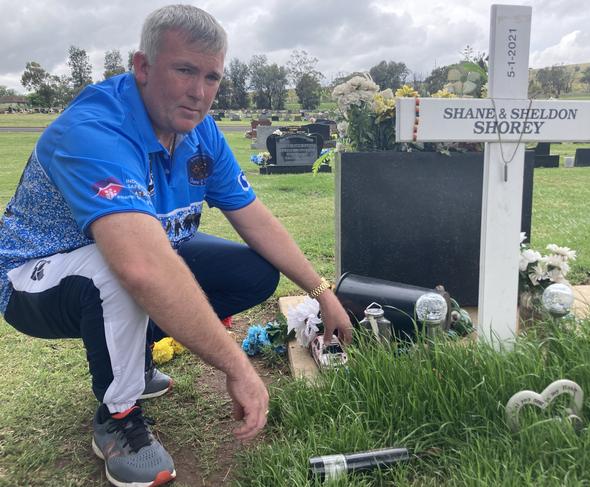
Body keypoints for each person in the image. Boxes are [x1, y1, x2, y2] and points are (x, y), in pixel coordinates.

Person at [0, 5, 352, 486]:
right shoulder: (93, 129)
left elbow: (255, 220)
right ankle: (116, 417)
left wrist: (321, 290)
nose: (199, 92)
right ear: (142, 67)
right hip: (33, 278)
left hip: (127, 254)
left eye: (212, 77)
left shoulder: (199, 131)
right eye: (185, 70)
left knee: (253, 271)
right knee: (123, 272)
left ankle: (134, 360)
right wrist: (236, 366)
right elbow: (141, 267)